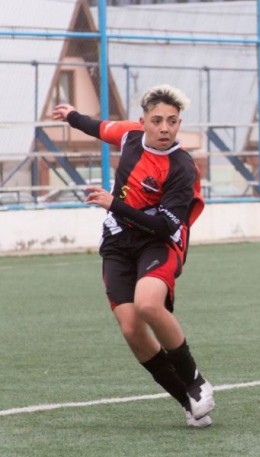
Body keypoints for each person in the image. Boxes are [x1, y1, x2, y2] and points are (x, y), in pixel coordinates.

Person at [52, 84, 216, 428]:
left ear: (179, 123)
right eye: (156, 120)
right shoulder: (128, 136)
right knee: (130, 328)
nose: (164, 128)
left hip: (159, 242)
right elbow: (98, 127)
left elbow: (162, 226)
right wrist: (71, 116)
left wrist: (115, 204)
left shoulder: (182, 168)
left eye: (172, 121)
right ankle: (188, 402)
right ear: (143, 122)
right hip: (117, 243)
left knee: (148, 304)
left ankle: (197, 382)